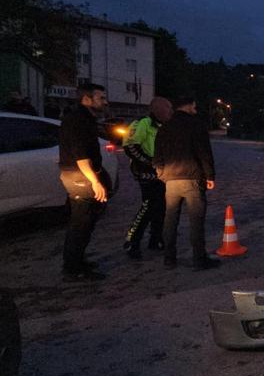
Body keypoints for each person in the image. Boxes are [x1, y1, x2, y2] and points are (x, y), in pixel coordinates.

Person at [153, 96, 220, 270]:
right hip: (192, 178)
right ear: (189, 106)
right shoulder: (196, 126)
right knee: (196, 221)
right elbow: (204, 152)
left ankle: (169, 259)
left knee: (170, 219)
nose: (195, 109)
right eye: (194, 106)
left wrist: (161, 173)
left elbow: (157, 155)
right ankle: (199, 259)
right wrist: (210, 176)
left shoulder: (165, 127)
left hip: (171, 181)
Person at [58, 83, 111, 281]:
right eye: (101, 98)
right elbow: (82, 158)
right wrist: (95, 182)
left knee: (86, 222)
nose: (105, 102)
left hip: (81, 175)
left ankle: (78, 260)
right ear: (87, 99)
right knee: (81, 223)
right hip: (79, 177)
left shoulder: (85, 118)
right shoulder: (78, 121)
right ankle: (72, 269)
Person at [122, 97, 174, 259]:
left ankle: (156, 239)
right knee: (147, 208)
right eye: (168, 108)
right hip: (147, 174)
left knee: (161, 208)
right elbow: (130, 146)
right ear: (157, 110)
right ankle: (132, 241)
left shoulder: (165, 126)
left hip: (163, 175)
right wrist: (152, 164)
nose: (171, 112)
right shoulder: (142, 123)